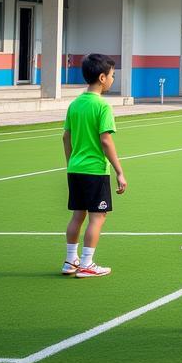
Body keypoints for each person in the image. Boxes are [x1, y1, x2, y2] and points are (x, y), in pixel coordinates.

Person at [62, 53, 127, 278]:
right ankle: (87, 263)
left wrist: (71, 162)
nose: (112, 79)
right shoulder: (102, 107)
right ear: (101, 77)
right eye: (111, 75)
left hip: (75, 168)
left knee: (77, 215)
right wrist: (119, 171)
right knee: (97, 216)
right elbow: (106, 140)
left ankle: (70, 260)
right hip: (95, 170)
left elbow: (65, 138)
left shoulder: (75, 104)